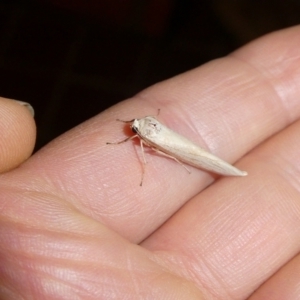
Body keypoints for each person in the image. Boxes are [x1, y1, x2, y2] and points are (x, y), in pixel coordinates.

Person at [1, 25, 300, 300]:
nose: (132, 127)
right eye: (133, 126)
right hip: (170, 138)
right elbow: (142, 126)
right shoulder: (142, 128)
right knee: (190, 154)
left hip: (175, 144)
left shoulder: (144, 134)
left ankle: (231, 170)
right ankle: (230, 169)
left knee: (183, 153)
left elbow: (153, 139)